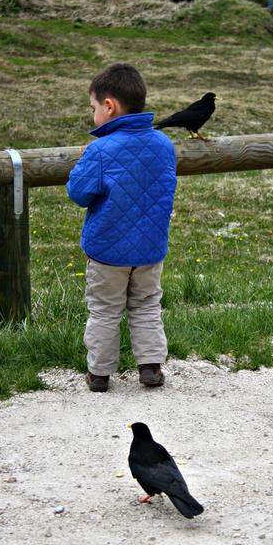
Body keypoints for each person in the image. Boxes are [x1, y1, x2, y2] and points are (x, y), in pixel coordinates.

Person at [66, 63, 177, 392]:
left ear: (109, 105)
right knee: (146, 306)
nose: (93, 114)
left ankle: (99, 374)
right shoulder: (164, 144)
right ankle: (151, 368)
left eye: (93, 108)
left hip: (107, 251)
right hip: (150, 250)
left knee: (104, 310)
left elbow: (79, 193)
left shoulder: (101, 150)